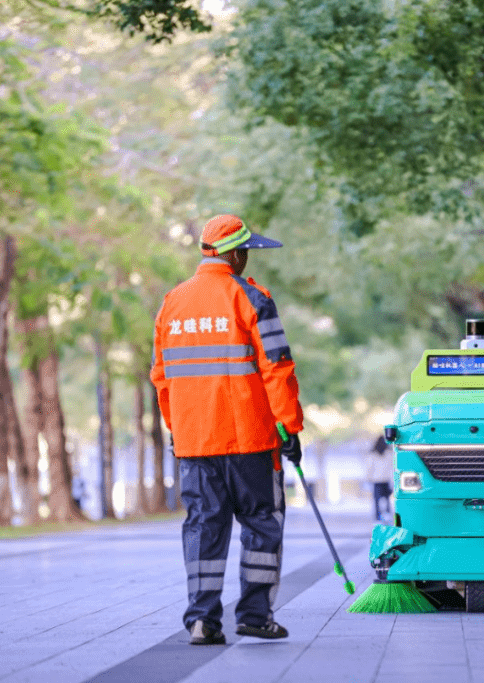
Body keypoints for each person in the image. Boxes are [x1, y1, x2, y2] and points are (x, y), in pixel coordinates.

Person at [150, 214, 305, 646]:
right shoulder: (252, 298)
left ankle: (202, 620)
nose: (247, 258)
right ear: (234, 253)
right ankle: (255, 615)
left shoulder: (171, 304)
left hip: (195, 441)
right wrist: (289, 426)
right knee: (261, 523)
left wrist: (178, 429)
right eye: (246, 251)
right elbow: (277, 367)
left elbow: (161, 378)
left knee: (204, 525)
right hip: (250, 440)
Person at [365, 435, 393, 522]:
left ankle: (378, 518)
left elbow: (369, 468)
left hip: (376, 481)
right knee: (387, 500)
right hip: (386, 480)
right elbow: (392, 467)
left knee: (377, 501)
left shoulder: (372, 454)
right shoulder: (389, 453)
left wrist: (368, 478)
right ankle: (388, 515)